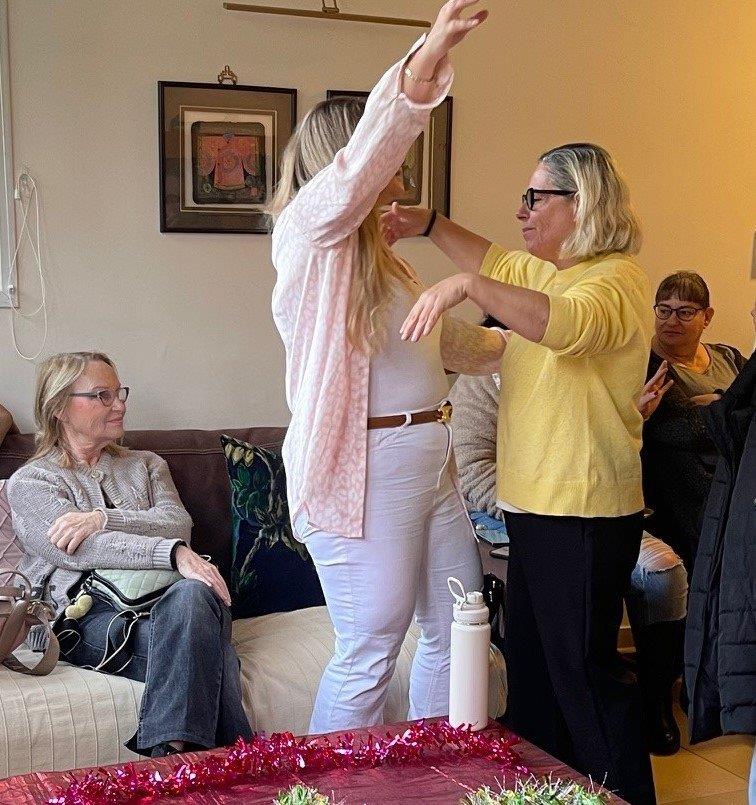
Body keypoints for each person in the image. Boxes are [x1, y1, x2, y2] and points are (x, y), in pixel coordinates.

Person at [384, 143, 656, 803]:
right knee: (536, 680)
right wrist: (428, 223)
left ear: (581, 203)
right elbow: (494, 261)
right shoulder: (546, 274)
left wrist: (467, 288)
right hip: (533, 512)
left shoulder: (616, 279)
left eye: (535, 197)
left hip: (586, 514)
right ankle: (552, 794)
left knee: (585, 681)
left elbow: (564, 325)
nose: (521, 211)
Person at [269, 1, 503, 735]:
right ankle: (327, 786)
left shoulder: (385, 260)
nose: (399, 161)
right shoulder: (311, 233)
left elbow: (445, 345)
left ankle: (435, 770)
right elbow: (365, 159)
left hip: (430, 457)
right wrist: (426, 59)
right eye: (388, 151)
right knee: (370, 647)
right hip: (366, 467)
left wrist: (529, 342)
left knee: (457, 625)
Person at [450, 336, 688, 756]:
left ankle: (655, 703)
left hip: (592, 510)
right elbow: (472, 468)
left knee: (664, 572)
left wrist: (628, 419)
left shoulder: (585, 361)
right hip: (513, 514)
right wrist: (532, 511)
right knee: (569, 654)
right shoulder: (487, 375)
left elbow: (589, 451)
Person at [6, 352, 251, 757]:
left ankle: (171, 764)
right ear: (60, 406)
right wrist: (171, 554)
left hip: (170, 604)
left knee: (194, 596)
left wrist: (102, 518)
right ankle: (231, 760)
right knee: (209, 649)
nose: (119, 405)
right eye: (102, 395)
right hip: (84, 618)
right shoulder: (31, 482)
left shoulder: (147, 465)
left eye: (120, 393)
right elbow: (76, 550)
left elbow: (178, 524)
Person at [642, 271, 748, 573]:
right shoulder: (648, 366)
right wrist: (731, 405)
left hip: (737, 488)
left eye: (685, 312)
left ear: (707, 317)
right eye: (664, 310)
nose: (671, 321)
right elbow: (685, 429)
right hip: (684, 503)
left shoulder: (728, 357)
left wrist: (715, 401)